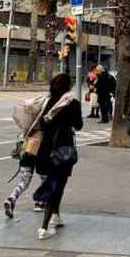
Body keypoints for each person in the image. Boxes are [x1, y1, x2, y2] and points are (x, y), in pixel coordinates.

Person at [33, 73, 83, 240]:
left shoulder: (48, 102)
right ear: (68, 87)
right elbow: (79, 125)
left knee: (54, 182)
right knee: (57, 185)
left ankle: (56, 214)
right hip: (63, 148)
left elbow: (40, 124)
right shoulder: (72, 103)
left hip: (46, 147)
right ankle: (44, 227)